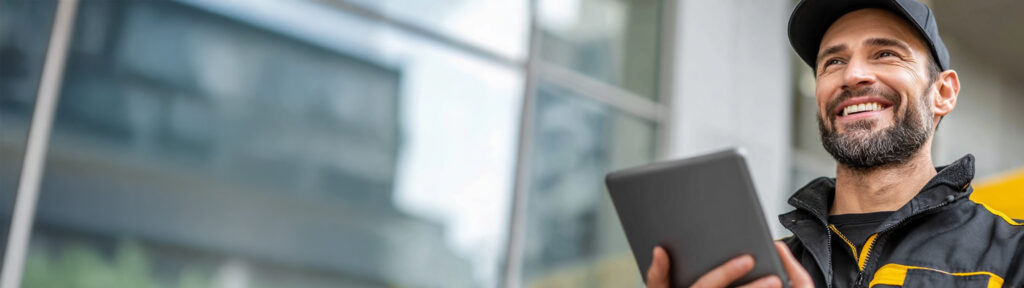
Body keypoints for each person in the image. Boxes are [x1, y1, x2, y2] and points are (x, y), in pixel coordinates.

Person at [646, 0, 1024, 287]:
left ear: (943, 92)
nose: (854, 74)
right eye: (833, 62)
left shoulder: (1013, 253)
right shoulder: (764, 270)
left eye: (885, 53)